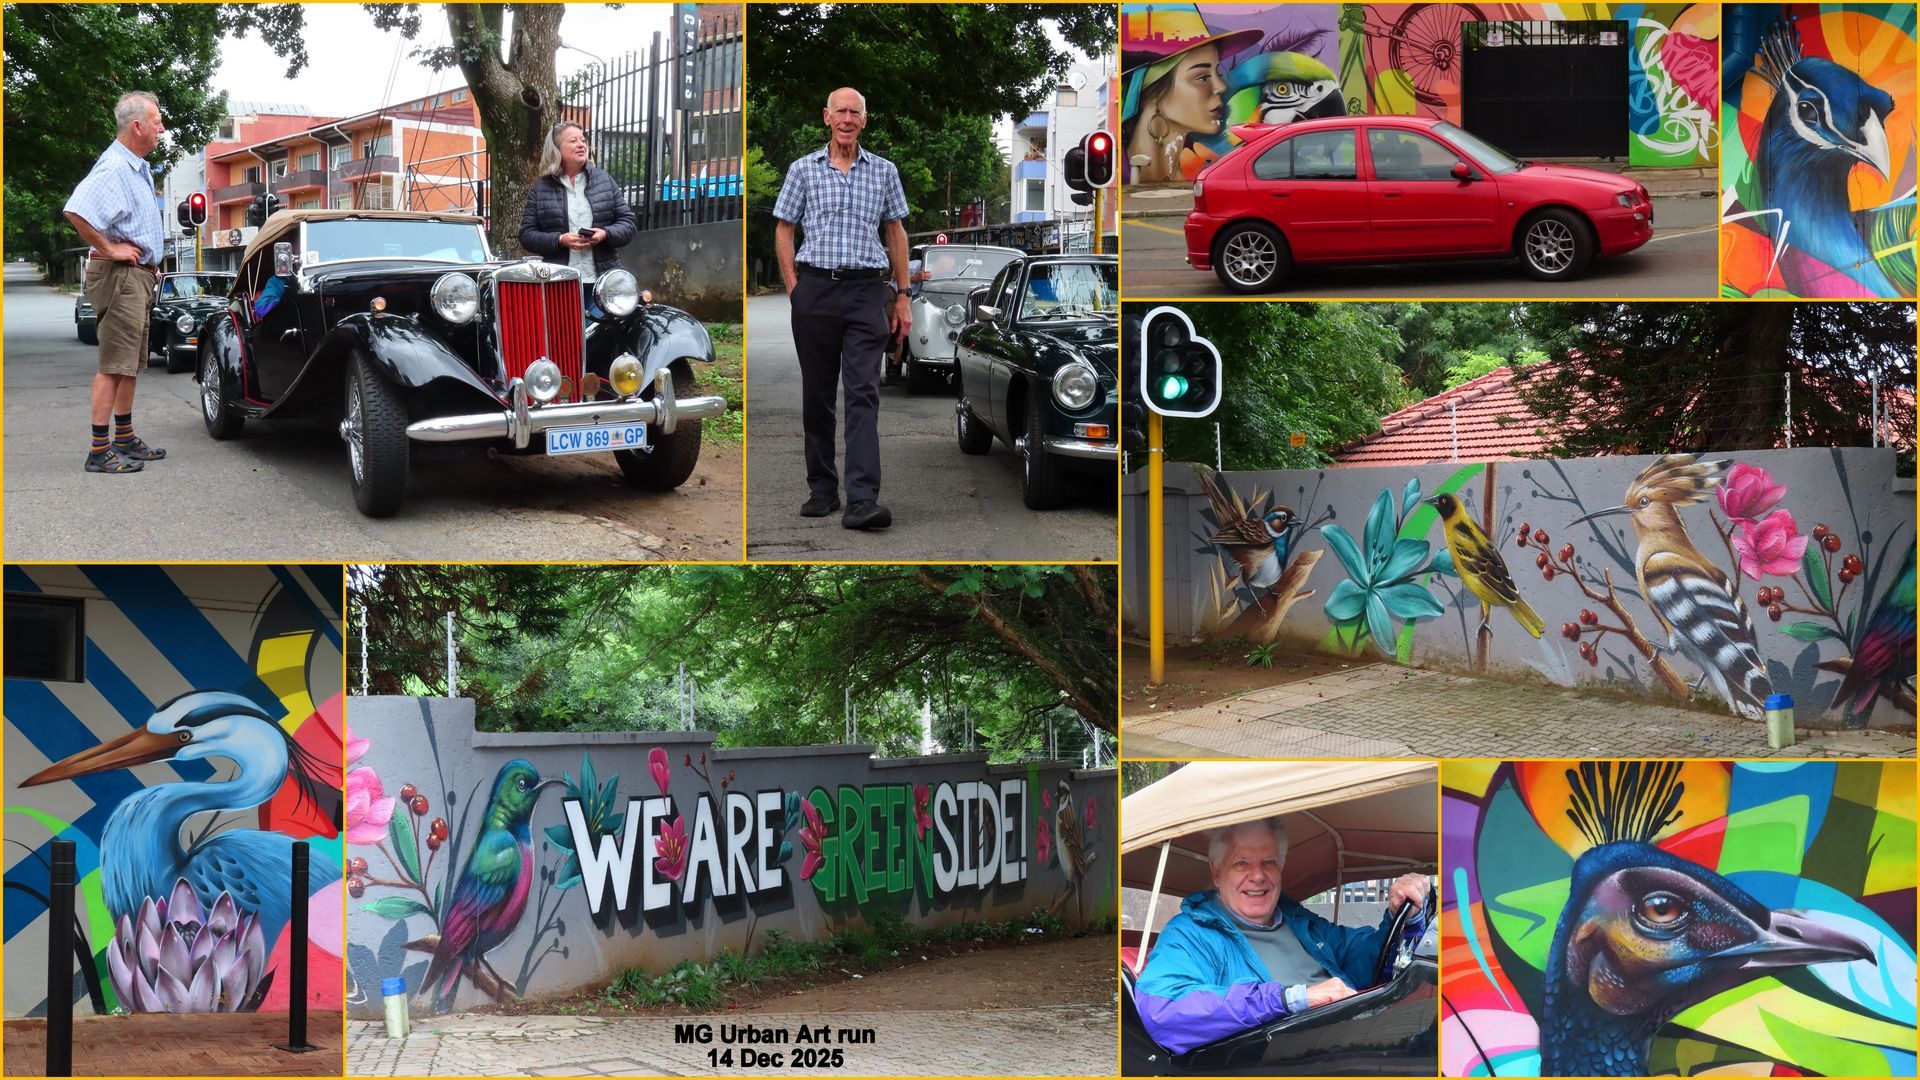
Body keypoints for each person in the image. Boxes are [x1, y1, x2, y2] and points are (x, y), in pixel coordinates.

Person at [1133, 818, 1432, 1055]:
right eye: (1241, 863)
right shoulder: (1190, 933)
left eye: (1269, 862)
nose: (1258, 875)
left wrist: (1402, 915)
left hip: (1365, 1042)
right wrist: (1291, 998)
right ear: (1216, 872)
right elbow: (1164, 1009)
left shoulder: (1299, 922)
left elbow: (1367, 958)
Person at [773, 87, 909, 531]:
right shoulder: (802, 171)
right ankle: (823, 489)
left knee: (863, 393)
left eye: (856, 112)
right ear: (826, 117)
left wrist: (903, 295)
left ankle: (862, 500)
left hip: (867, 292)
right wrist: (795, 288)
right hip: (815, 290)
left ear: (864, 120)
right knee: (817, 395)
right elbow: (784, 229)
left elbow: (895, 232)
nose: (848, 119)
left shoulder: (884, 171)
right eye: (840, 112)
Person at [65, 90, 170, 474]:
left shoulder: (135, 167)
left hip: (136, 276)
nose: (162, 128)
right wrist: (110, 250)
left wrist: (147, 262)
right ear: (138, 125)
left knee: (127, 364)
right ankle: (99, 449)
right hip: (121, 276)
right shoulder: (114, 167)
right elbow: (77, 210)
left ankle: (123, 438)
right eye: (157, 121)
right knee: (113, 364)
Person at [1121, 6, 1261, 183]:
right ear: (1154, 92)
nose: (1220, 86)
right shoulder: (1118, 177)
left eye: (1217, 72)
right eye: (1202, 77)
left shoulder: (1190, 176)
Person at [518, 122, 637, 316]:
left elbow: (628, 223)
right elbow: (526, 234)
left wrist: (605, 234)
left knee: (601, 339)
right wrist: (559, 240)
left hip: (603, 283)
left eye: (583, 140)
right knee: (565, 339)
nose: (581, 144)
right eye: (573, 141)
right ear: (556, 149)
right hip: (558, 283)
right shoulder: (541, 188)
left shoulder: (603, 180)